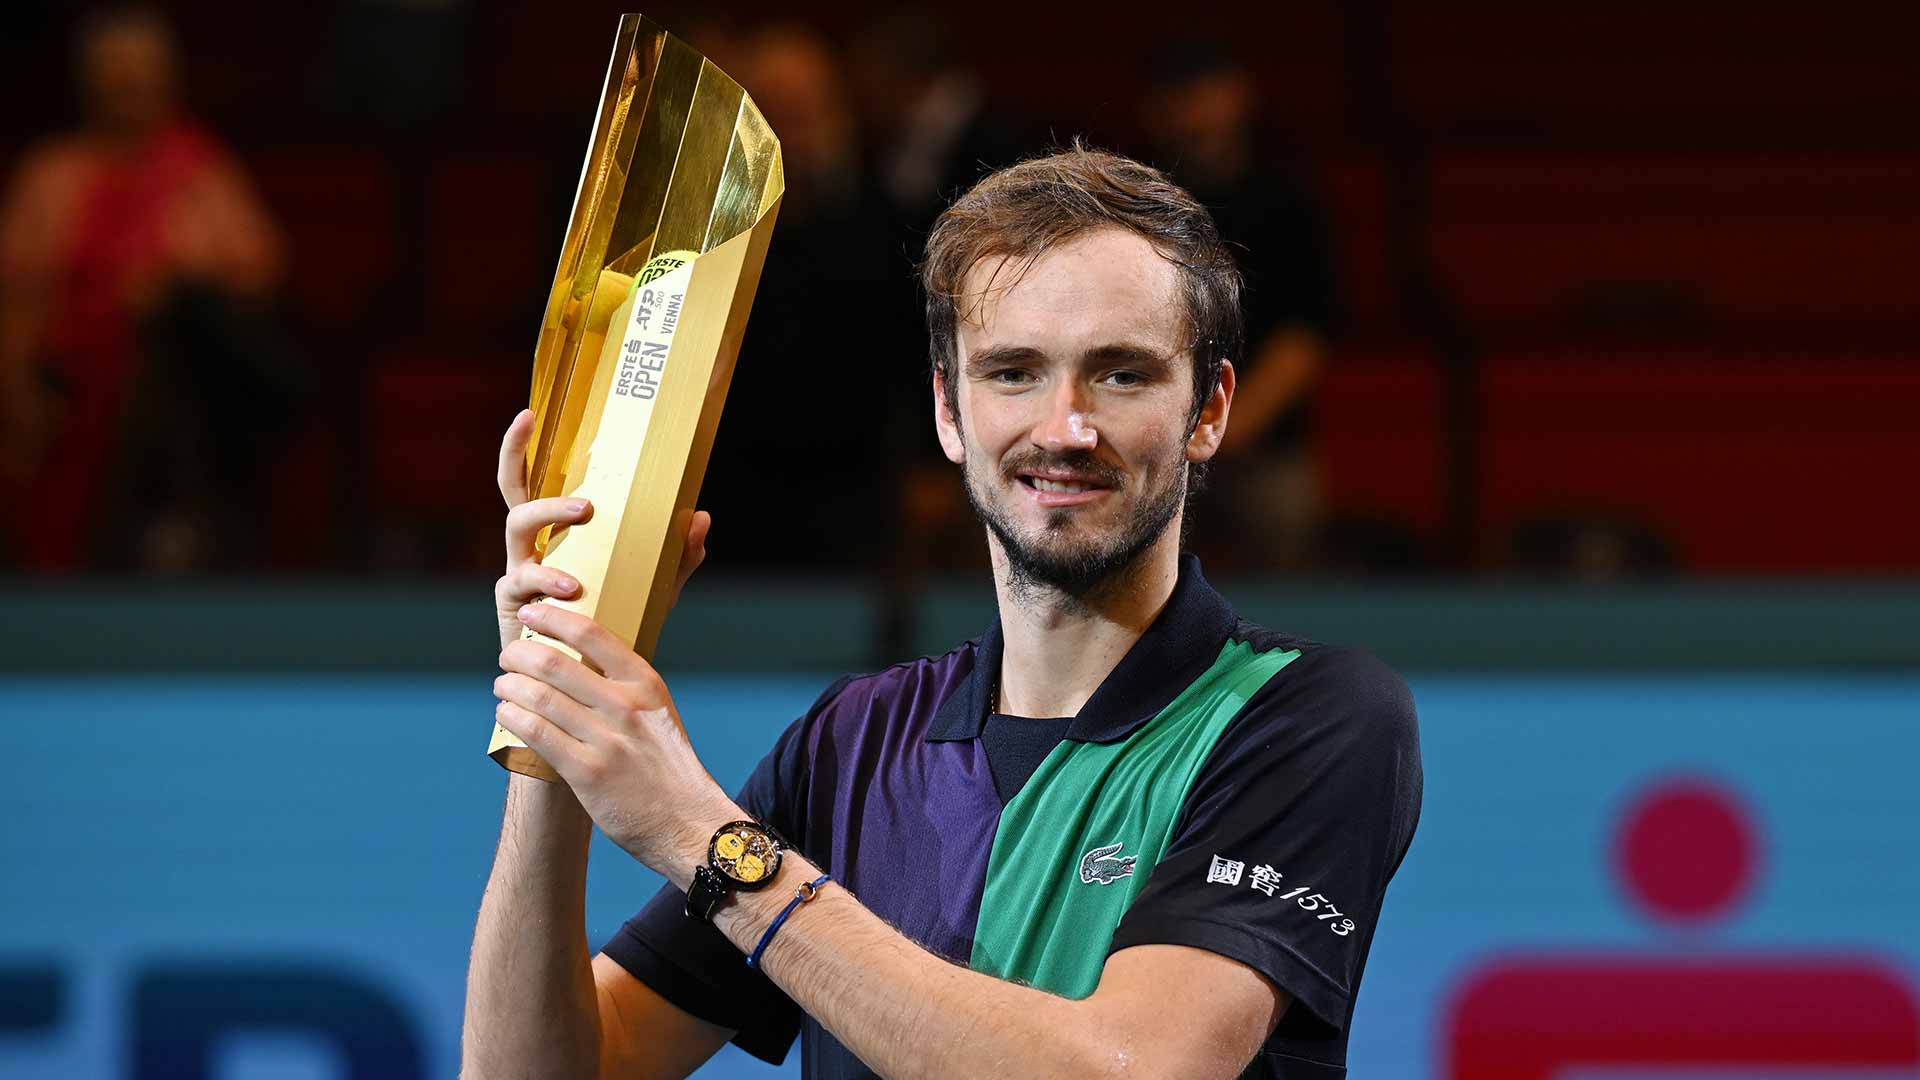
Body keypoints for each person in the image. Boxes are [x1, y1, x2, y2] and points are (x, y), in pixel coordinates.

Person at [464, 145, 1422, 1079]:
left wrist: (703, 843)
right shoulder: (850, 745)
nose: (1065, 428)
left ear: (1210, 410)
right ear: (949, 411)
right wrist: (554, 719)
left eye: (1122, 373)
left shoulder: (1310, 719)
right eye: (1014, 372)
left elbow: (1133, 1070)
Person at [0, 6, 288, 572]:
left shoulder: (200, 171)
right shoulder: (51, 172)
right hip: (56, 388)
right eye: (113, 69)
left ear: (167, 78)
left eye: (139, 69)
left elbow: (258, 274)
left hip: (169, 402)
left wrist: (173, 284)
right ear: (88, 80)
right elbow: (15, 294)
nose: (127, 83)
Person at [1142, 37, 1338, 572]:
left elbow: (1306, 330)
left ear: (1238, 95)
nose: (1196, 108)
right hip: (1159, 442)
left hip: (1266, 444)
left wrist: (1236, 421)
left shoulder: (1286, 200)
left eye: (1207, 90)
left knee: (1290, 601)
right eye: (1179, 94)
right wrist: (1175, 424)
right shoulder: (1139, 201)